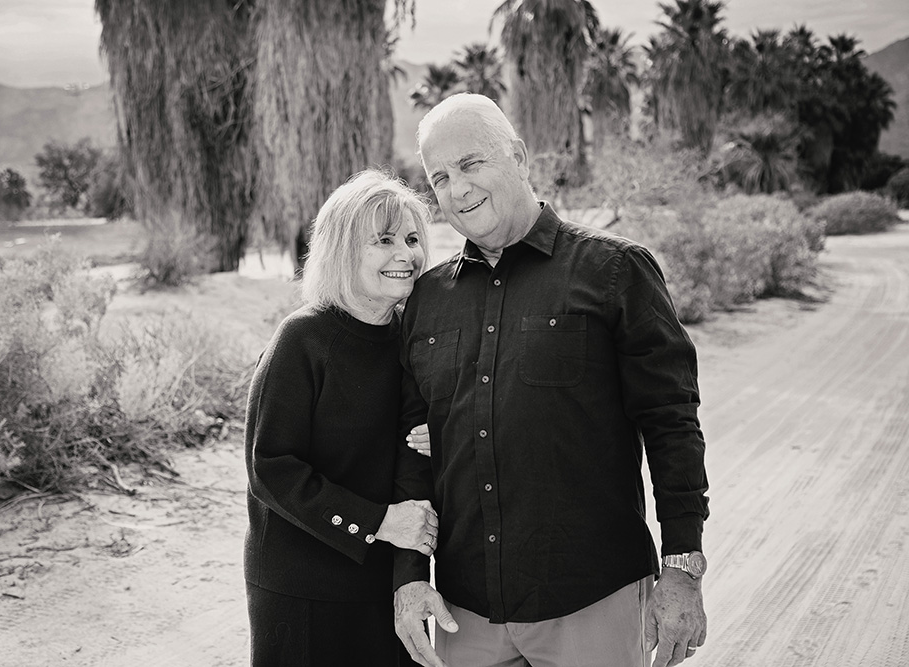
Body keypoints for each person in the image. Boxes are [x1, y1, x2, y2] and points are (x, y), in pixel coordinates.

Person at [392, 93, 711, 667]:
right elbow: (413, 454)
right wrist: (411, 578)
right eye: (439, 177)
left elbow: (672, 425)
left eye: (471, 165)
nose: (457, 189)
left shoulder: (614, 272)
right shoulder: (425, 302)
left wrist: (682, 570)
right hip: (465, 611)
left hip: (592, 600)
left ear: (517, 156)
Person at [244, 169, 439, 666]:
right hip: (301, 589)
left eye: (413, 238)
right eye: (384, 240)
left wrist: (410, 576)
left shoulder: (412, 341)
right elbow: (271, 465)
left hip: (383, 584)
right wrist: (376, 522)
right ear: (343, 249)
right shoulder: (302, 340)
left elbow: (413, 468)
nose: (405, 254)